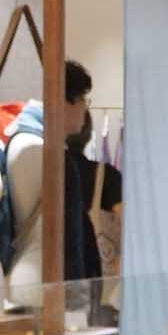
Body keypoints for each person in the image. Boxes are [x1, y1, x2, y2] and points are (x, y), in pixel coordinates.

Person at [57, 59, 122, 287]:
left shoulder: (50, 159)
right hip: (81, 280)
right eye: (84, 100)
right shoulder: (103, 175)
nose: (85, 108)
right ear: (68, 101)